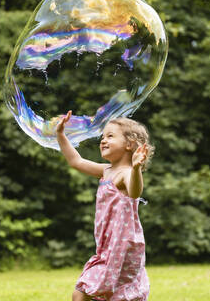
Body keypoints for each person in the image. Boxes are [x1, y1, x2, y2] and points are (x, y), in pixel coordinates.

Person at [56, 110, 154, 301]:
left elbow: (135, 191)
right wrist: (60, 135)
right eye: (103, 136)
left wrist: (135, 169)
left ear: (130, 144)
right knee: (105, 294)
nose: (103, 140)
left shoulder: (125, 174)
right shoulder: (106, 171)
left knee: (83, 292)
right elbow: (76, 161)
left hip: (123, 248)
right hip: (107, 246)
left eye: (110, 136)